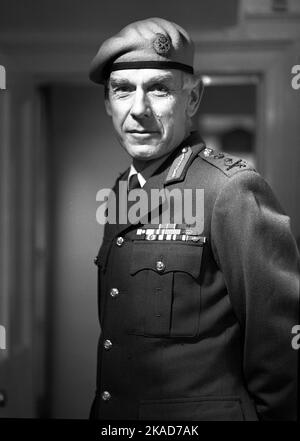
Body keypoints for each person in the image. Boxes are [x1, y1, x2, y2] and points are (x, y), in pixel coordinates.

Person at [88, 17, 299, 421]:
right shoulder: (122, 190)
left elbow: (280, 349)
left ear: (193, 99)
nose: (138, 109)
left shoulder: (231, 189)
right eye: (122, 90)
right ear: (107, 103)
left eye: (159, 89)